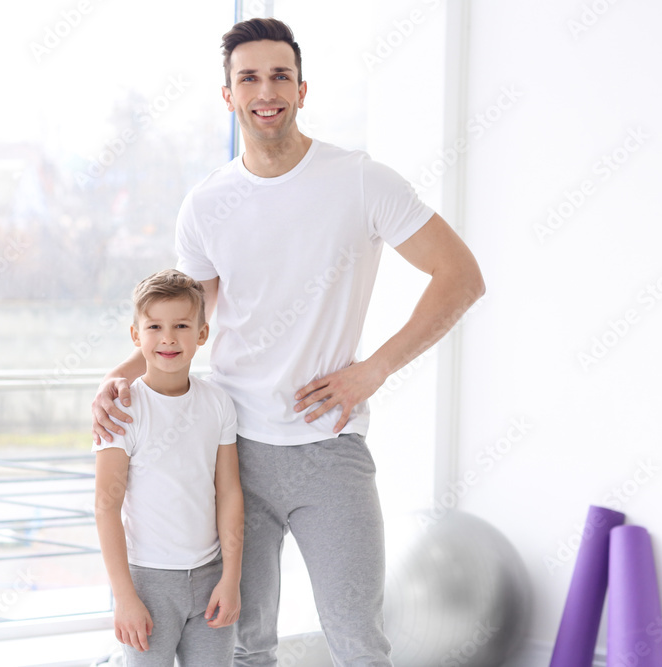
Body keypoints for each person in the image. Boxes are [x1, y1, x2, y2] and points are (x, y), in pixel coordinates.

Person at [92, 17, 485, 667]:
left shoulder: (361, 180)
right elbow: (185, 323)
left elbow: (461, 277)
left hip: (330, 447)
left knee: (358, 636)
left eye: (280, 76)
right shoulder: (207, 203)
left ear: (302, 89)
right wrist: (117, 377)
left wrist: (374, 369)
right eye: (249, 78)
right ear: (229, 95)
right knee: (245, 641)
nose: (266, 90)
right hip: (232, 448)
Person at [93, 269, 244, 667]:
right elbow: (106, 507)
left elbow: (229, 492)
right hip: (147, 582)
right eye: (154, 326)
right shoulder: (122, 410)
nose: (168, 338)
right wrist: (125, 597)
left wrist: (230, 579)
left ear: (202, 333)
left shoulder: (218, 403)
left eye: (181, 325)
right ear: (135, 335)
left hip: (210, 578)